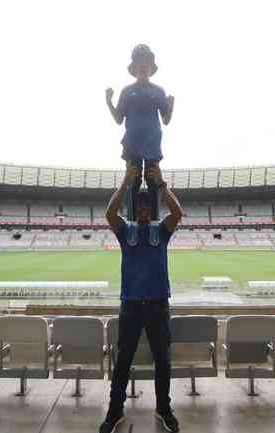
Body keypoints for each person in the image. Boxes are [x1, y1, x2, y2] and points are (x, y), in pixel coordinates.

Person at [99, 162, 183, 433]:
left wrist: (161, 184)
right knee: (123, 360)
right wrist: (126, 181)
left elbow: (178, 213)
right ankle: (115, 412)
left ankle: (163, 408)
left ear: (153, 209)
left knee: (163, 361)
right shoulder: (127, 231)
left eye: (149, 207)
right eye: (141, 207)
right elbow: (109, 213)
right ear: (136, 209)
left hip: (158, 305)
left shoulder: (162, 231)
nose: (145, 210)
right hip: (131, 305)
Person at [106, 44, 175, 247]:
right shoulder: (127, 91)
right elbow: (119, 119)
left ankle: (154, 225)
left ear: (151, 66)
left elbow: (166, 119)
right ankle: (132, 226)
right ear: (134, 67)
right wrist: (109, 101)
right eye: (139, 63)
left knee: (153, 181)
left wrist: (171, 106)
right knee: (132, 183)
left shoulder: (158, 91)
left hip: (153, 142)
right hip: (133, 143)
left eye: (146, 62)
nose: (143, 66)